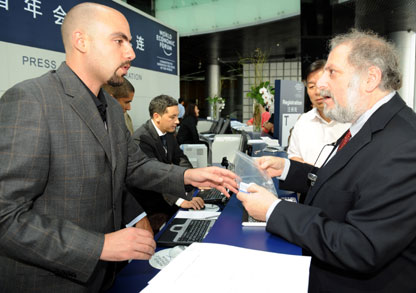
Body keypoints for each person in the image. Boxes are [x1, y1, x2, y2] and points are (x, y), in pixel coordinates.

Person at [0, 3, 237, 292]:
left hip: (105, 278)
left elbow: (133, 165)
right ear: (81, 41)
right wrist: (98, 245)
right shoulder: (31, 100)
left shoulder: (110, 107)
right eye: (119, 41)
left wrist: (188, 177)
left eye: (130, 42)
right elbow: (6, 216)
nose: (131, 53)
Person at [237, 29, 416, 292]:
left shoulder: (412, 147)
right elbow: (345, 183)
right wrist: (288, 168)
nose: (322, 84)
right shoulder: (368, 125)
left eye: (332, 72)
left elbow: (362, 247)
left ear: (370, 78)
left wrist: (273, 210)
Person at [130, 95, 205, 232]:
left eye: (177, 116)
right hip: (151, 204)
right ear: (157, 116)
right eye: (172, 117)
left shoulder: (169, 132)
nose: (177, 121)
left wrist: (193, 178)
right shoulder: (141, 139)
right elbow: (154, 176)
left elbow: (180, 158)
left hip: (166, 195)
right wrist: (181, 201)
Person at [288, 60, 350, 166]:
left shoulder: (353, 120)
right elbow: (294, 156)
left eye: (322, 84)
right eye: (311, 86)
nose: (317, 92)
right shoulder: (303, 121)